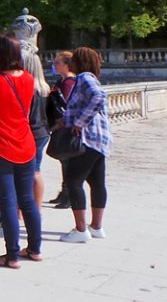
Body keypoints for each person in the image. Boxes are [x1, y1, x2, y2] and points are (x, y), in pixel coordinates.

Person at [0, 35, 41, 269]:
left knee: (8, 202)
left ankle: (11, 255)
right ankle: (34, 249)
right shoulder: (29, 79)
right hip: (26, 144)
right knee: (27, 200)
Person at [59, 47, 112, 243]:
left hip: (87, 139)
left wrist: (79, 122)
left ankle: (81, 230)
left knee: (73, 181)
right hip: (100, 140)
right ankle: (96, 226)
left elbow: (98, 97)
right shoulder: (93, 78)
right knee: (97, 183)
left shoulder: (84, 78)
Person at [47, 51, 76, 208]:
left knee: (67, 160)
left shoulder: (68, 83)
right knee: (64, 160)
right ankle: (65, 192)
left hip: (65, 126)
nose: (54, 65)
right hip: (62, 125)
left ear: (67, 65)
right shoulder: (63, 81)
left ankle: (68, 194)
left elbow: (65, 106)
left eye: (58, 62)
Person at [23, 52, 51, 209]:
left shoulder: (28, 88)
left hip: (31, 132)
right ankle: (37, 207)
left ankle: (24, 209)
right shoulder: (45, 88)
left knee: (27, 173)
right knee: (36, 171)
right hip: (42, 131)